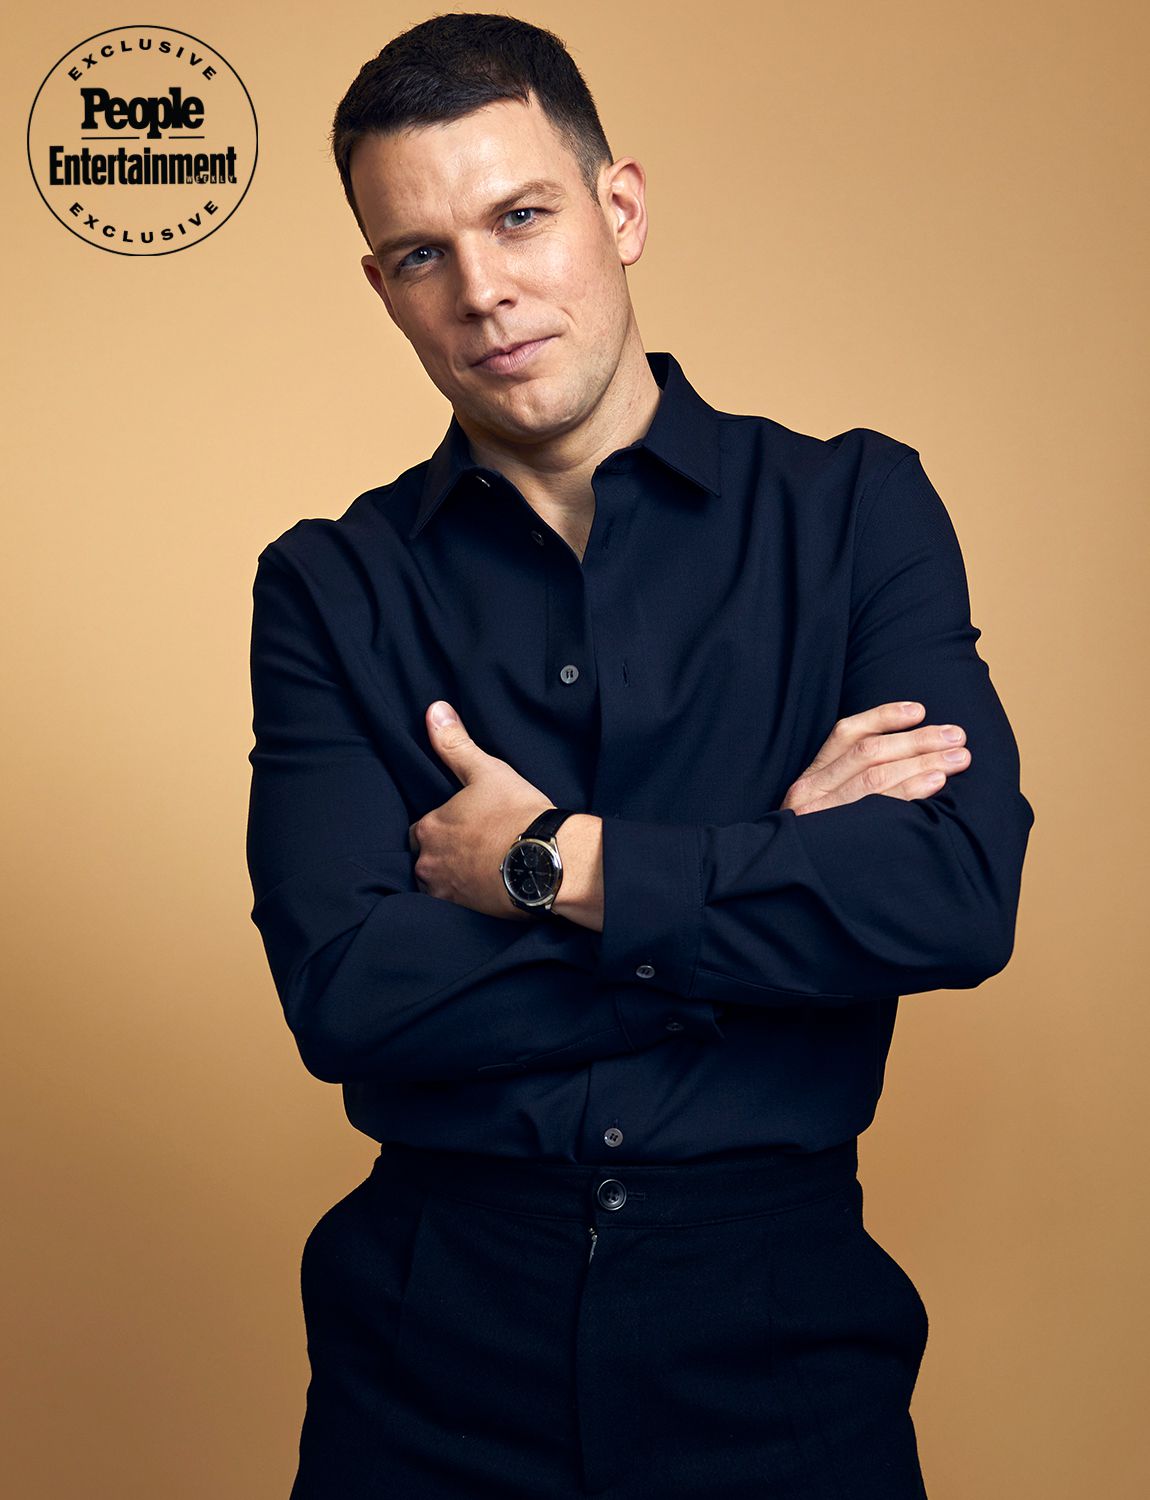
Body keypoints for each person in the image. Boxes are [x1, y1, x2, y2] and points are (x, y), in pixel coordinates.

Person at [245, 13, 1035, 1498]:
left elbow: (948, 898)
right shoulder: (329, 586)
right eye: (419, 254)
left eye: (520, 216)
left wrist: (550, 864)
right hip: (426, 1354)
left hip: (780, 1344)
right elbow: (349, 996)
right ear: (381, 289)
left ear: (618, 210)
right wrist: (762, 874)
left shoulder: (856, 510)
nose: (481, 290)